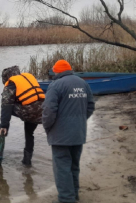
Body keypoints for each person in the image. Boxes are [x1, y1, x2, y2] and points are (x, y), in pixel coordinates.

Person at [42, 60, 95, 203]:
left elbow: (48, 111)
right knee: (74, 165)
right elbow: (90, 106)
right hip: (78, 132)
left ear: (56, 71)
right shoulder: (83, 83)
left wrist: (47, 127)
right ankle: (74, 195)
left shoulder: (55, 86)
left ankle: (66, 199)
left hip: (61, 135)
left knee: (62, 168)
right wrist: (80, 121)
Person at [0, 66, 45, 166]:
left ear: (6, 77)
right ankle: (27, 162)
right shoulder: (28, 77)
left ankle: (3, 128)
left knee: (7, 105)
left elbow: (6, 105)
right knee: (29, 133)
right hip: (42, 112)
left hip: (29, 112)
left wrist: (4, 125)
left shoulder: (12, 83)